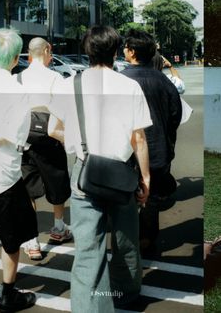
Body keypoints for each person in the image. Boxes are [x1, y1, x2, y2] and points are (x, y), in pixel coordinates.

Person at [49, 25, 152, 312]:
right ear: (116, 50)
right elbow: (139, 138)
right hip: (122, 173)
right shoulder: (130, 86)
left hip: (85, 173)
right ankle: (126, 295)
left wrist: (79, 144)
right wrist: (145, 177)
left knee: (88, 250)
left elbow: (53, 128)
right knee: (126, 240)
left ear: (87, 51)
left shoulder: (70, 84)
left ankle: (90, 307)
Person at [0, 28, 37, 312]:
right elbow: (12, 136)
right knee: (10, 238)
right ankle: (8, 294)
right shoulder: (17, 92)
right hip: (3, 175)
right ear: (16, 58)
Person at [122, 29, 182, 250]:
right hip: (158, 150)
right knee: (151, 197)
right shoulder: (163, 81)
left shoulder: (122, 80)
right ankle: (147, 241)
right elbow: (175, 115)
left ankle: (127, 241)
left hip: (127, 151)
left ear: (132, 52)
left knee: (126, 197)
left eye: (126, 47)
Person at [17, 37, 72, 261]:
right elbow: (64, 110)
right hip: (50, 138)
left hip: (24, 138)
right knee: (57, 183)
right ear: (48, 51)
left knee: (28, 188)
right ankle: (58, 228)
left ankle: (31, 242)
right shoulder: (56, 78)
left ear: (29, 54)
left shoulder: (18, 77)